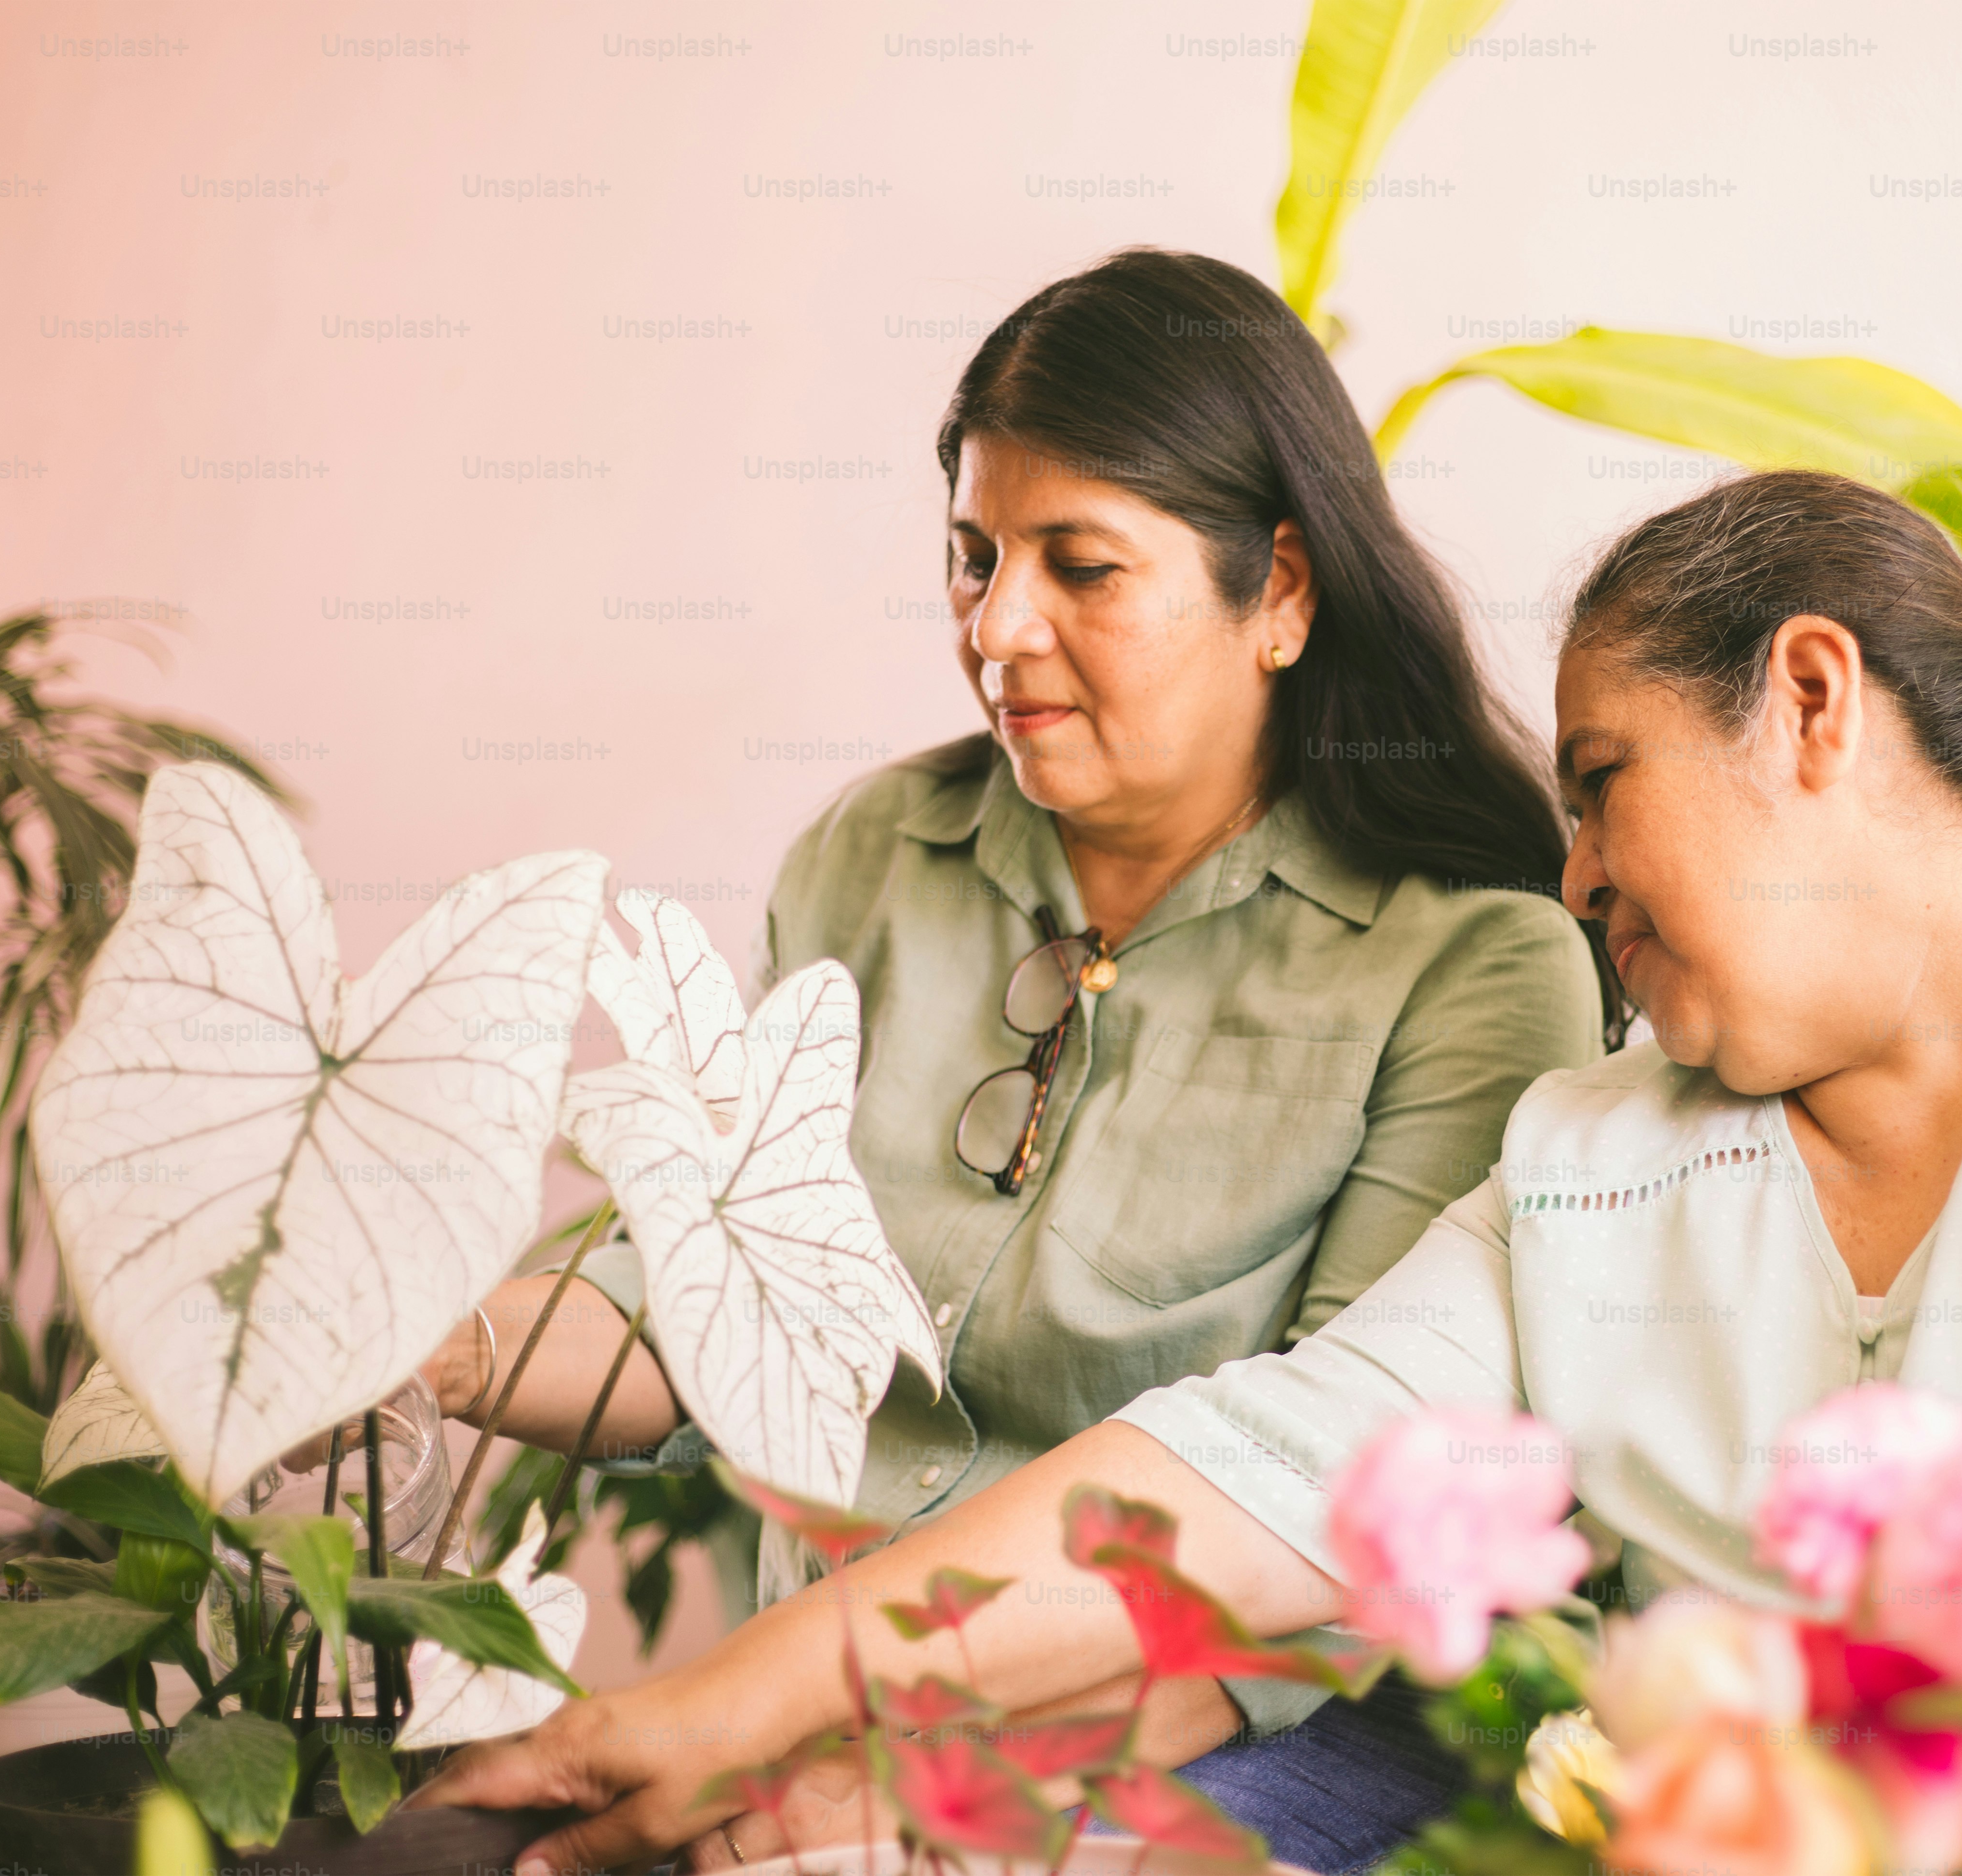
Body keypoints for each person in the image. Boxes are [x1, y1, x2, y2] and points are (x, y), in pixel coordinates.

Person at [422, 472, 1962, 1875]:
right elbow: (1228, 1482)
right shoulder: (1609, 1145)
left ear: (1809, 702)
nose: (1567, 871)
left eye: (1598, 785)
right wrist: (704, 1711)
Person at [409, 248, 1609, 1860]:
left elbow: (1345, 1527)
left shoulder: (1469, 961)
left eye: (1081, 566)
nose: (999, 625)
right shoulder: (877, 857)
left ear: (1287, 593)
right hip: (813, 1699)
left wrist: (937, 1780)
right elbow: (704, 1308)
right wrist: (402, 1350)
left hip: (1242, 1721)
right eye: (973, 557)